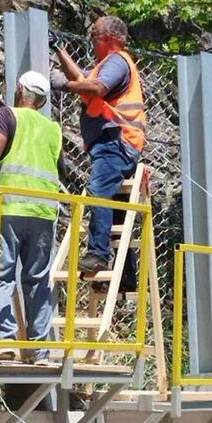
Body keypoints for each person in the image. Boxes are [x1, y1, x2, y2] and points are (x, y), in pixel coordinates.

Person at [0, 72, 62, 364]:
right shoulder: (52, 129)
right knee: (38, 280)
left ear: (20, 90)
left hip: (10, 207)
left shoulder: (8, 115)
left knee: (0, 275)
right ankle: (39, 351)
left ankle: (4, 341)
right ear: (42, 100)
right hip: (44, 211)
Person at [50, 16, 147, 273]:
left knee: (99, 190)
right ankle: (125, 275)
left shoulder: (117, 61)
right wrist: (60, 51)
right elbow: (85, 80)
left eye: (95, 35)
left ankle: (98, 254)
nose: (91, 39)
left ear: (109, 39)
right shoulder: (107, 64)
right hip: (117, 142)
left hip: (116, 141)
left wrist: (63, 85)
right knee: (115, 212)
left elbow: (95, 88)